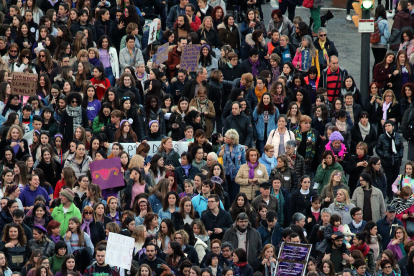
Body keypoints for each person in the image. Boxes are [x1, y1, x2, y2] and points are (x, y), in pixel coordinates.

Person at [376, 120, 404, 203]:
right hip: (386, 161)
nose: (387, 127)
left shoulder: (398, 136)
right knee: (389, 178)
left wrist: (400, 155)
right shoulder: (382, 137)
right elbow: (378, 148)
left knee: (396, 178)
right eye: (385, 126)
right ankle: (390, 195)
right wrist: (383, 155)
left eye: (388, 125)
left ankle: (396, 193)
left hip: (396, 160)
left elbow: (401, 147)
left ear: (393, 127)